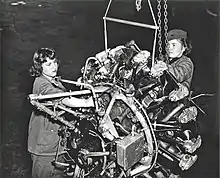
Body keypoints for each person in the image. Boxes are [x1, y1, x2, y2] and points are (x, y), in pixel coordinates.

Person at [28, 47, 94, 178]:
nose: (54, 67)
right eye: (48, 64)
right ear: (39, 67)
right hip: (44, 148)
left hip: (56, 144)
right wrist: (87, 103)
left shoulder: (54, 80)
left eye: (55, 62)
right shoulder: (41, 83)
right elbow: (60, 97)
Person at [151, 29, 193, 102]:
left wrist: (166, 68)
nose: (169, 48)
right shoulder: (164, 59)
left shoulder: (186, 62)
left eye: (174, 45)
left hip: (172, 102)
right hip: (156, 96)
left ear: (184, 47)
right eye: (168, 44)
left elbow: (180, 74)